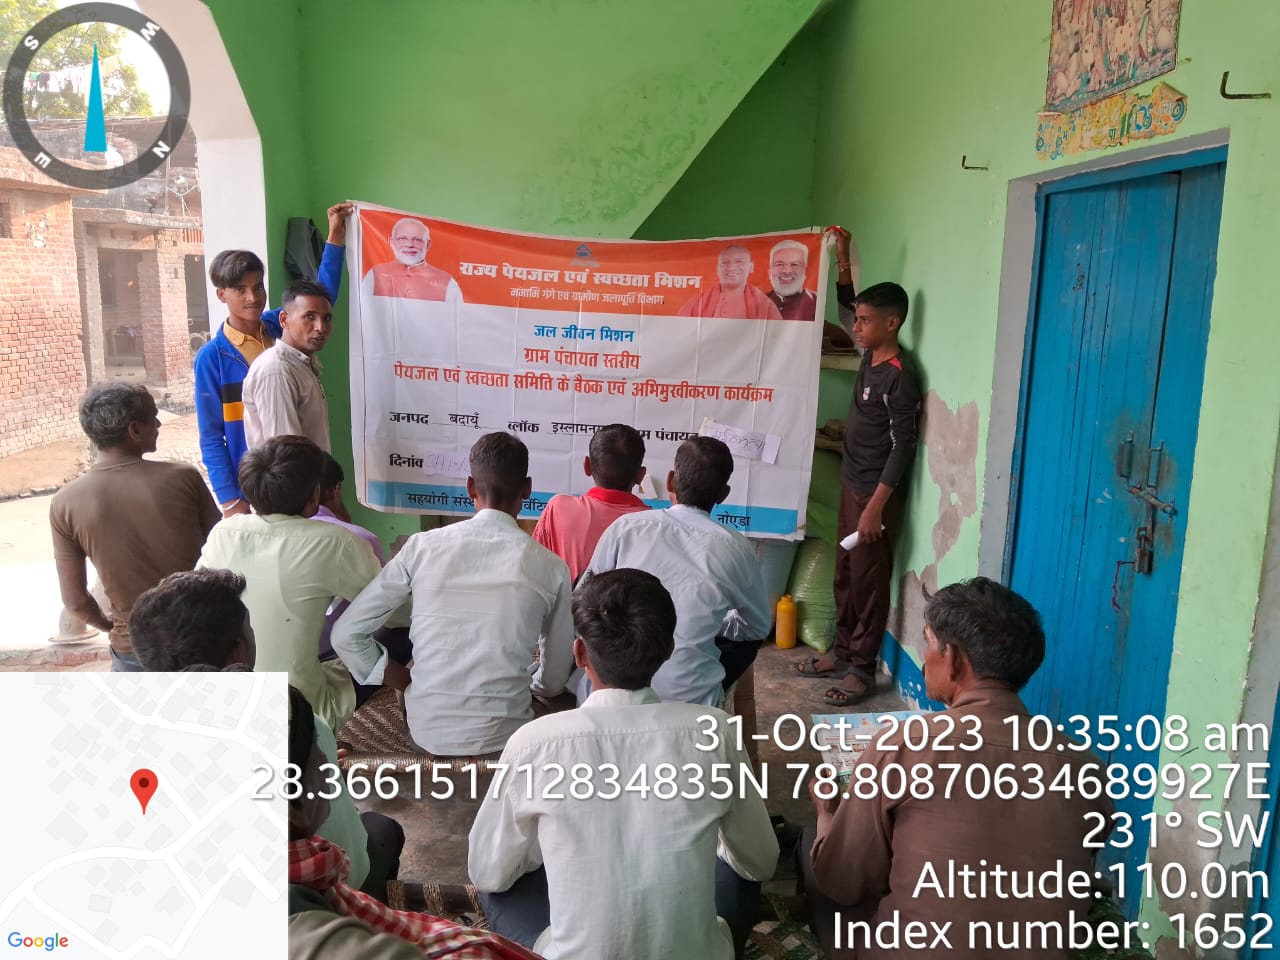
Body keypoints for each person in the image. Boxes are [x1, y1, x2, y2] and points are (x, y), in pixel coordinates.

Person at [469, 569, 778, 959]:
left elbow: (488, 872)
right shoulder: (714, 731)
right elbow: (761, 862)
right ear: (668, 650)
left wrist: (549, 849)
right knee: (738, 867)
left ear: (580, 654)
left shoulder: (533, 743)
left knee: (499, 882)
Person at [801, 578, 1114, 960]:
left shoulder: (903, 746)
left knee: (818, 856)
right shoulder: (1085, 767)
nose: (924, 657)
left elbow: (844, 883)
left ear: (952, 658)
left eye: (928, 641)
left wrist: (826, 813)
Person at [129, 568, 405, 903]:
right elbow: (353, 863)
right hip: (303, 908)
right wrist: (323, 771)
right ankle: (369, 920)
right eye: (251, 629)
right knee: (382, 830)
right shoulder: (292, 720)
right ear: (237, 651)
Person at [331, 432, 574, 757]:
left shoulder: (421, 547)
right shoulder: (552, 567)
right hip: (507, 739)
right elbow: (554, 680)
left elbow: (346, 635)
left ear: (470, 487)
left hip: (426, 732)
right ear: (527, 488)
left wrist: (406, 682)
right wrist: (532, 684)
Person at [286, 686, 539, 959]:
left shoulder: (299, 872)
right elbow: (357, 867)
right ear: (296, 805)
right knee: (384, 830)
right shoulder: (309, 919)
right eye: (320, 758)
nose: (330, 764)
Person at [199, 435, 383, 732]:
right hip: (302, 707)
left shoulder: (224, 532)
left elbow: (195, 597)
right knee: (403, 632)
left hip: (230, 695)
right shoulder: (337, 542)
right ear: (315, 494)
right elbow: (395, 611)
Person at [794, 280, 921, 706]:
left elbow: (903, 447)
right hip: (853, 484)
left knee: (868, 581)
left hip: (874, 496)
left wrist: (875, 510)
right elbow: (849, 307)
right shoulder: (870, 354)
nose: (856, 327)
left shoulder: (899, 375)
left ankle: (861, 670)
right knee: (845, 573)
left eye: (866, 321)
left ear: (892, 322)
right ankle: (842, 652)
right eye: (858, 320)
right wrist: (844, 261)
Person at [583, 436, 770, 706]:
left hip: (609, 688)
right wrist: (713, 621)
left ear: (670, 481)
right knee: (743, 642)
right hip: (692, 701)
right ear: (723, 494)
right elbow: (756, 627)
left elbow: (584, 599)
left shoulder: (626, 528)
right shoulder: (736, 547)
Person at [195, 202, 351, 518]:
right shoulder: (213, 358)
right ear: (222, 295)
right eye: (240, 290)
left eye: (258, 287)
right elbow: (211, 435)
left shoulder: (277, 328)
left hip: (298, 484)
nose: (252, 297)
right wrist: (229, 499)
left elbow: (320, 296)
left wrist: (335, 236)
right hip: (254, 484)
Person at [49, 384, 220, 672]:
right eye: (153, 417)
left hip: (133, 649)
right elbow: (222, 553)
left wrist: (115, 626)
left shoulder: (65, 502)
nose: (159, 424)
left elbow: (75, 602)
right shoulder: (183, 478)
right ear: (135, 430)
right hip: (200, 636)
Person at [531, 423, 649, 583]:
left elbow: (535, 571)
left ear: (586, 466)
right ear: (641, 475)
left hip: (566, 600)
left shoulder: (558, 508)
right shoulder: (653, 524)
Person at [242, 278, 335, 452]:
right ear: (284, 320)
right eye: (309, 316)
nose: (320, 327)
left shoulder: (301, 363)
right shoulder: (277, 371)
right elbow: (286, 454)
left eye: (326, 318)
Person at [363, 217, 463, 306]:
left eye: (417, 240)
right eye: (403, 238)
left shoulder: (447, 282)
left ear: (428, 244)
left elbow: (458, 317)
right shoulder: (375, 274)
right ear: (392, 242)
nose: (410, 244)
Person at [677, 244, 784, 320]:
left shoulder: (765, 305)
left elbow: (777, 337)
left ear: (751, 267)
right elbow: (680, 330)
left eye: (739, 261)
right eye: (725, 262)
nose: (731, 267)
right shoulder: (698, 303)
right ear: (717, 269)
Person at [764, 239, 818, 322]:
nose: (787, 271)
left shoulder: (818, 303)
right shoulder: (756, 302)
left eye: (794, 264)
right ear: (769, 272)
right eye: (779, 264)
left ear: (806, 271)